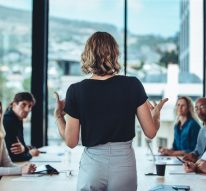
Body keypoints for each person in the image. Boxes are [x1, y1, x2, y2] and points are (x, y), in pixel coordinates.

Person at [54, 31, 168, 191]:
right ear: (114, 53)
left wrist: (58, 116)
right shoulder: (133, 84)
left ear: (87, 54)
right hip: (124, 164)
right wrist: (155, 116)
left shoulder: (76, 90)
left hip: (92, 165)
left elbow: (71, 142)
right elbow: (150, 132)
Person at [4, 92, 40, 162]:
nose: (27, 109)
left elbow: (21, 145)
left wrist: (25, 148)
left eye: (30, 106)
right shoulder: (8, 120)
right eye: (23, 104)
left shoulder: (18, 119)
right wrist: (30, 153)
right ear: (14, 105)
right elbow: (14, 157)